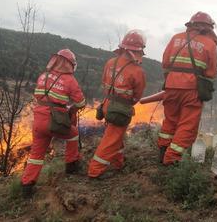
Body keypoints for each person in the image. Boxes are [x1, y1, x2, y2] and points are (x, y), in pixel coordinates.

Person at [20, 49, 86, 198]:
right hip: (54, 121)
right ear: (70, 65)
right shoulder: (70, 80)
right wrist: (71, 108)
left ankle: (26, 187)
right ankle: (71, 165)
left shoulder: (44, 76)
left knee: (36, 155)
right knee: (74, 133)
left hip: (38, 120)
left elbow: (40, 96)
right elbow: (81, 102)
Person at [158, 11, 217, 165]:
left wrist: (172, 79)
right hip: (192, 89)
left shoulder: (176, 38)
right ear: (208, 28)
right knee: (187, 125)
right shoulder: (209, 44)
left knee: (170, 120)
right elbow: (211, 72)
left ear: (191, 25)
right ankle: (171, 159)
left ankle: (163, 150)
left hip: (171, 86)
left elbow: (165, 63)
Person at [88, 30, 147, 178]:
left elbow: (104, 82)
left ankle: (118, 163)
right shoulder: (137, 70)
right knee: (111, 140)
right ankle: (95, 171)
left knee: (116, 137)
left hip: (108, 104)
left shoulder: (110, 62)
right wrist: (126, 104)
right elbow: (137, 96)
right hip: (120, 109)